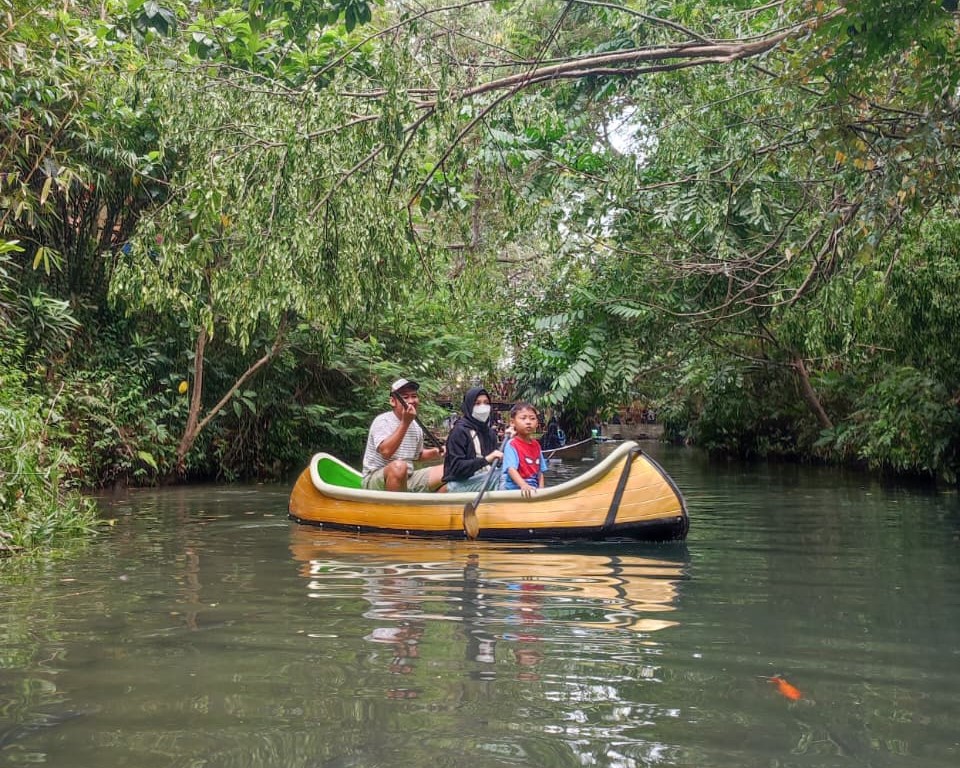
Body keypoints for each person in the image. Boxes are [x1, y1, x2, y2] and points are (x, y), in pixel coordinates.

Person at [362, 378, 444, 492]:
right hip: (376, 480)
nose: (411, 401)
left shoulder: (416, 426)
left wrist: (436, 452)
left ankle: (430, 507)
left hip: (407, 478)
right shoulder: (383, 421)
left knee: (449, 470)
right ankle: (396, 509)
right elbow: (386, 452)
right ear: (393, 401)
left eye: (414, 396)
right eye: (405, 397)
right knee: (399, 467)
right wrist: (405, 423)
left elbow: (417, 455)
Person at [441, 386, 504, 492]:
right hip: (460, 483)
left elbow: (497, 464)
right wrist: (486, 460)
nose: (483, 407)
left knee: (510, 471)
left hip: (484, 478)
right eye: (477, 403)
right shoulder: (459, 431)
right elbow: (457, 468)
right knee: (501, 477)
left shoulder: (490, 433)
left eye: (486, 403)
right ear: (469, 406)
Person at [501, 402, 548, 497]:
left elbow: (540, 472)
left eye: (532, 418)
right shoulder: (512, 444)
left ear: (537, 423)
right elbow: (511, 469)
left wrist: (542, 490)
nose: (528, 422)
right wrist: (524, 485)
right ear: (512, 423)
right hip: (515, 491)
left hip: (533, 490)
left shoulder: (536, 445)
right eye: (523, 418)